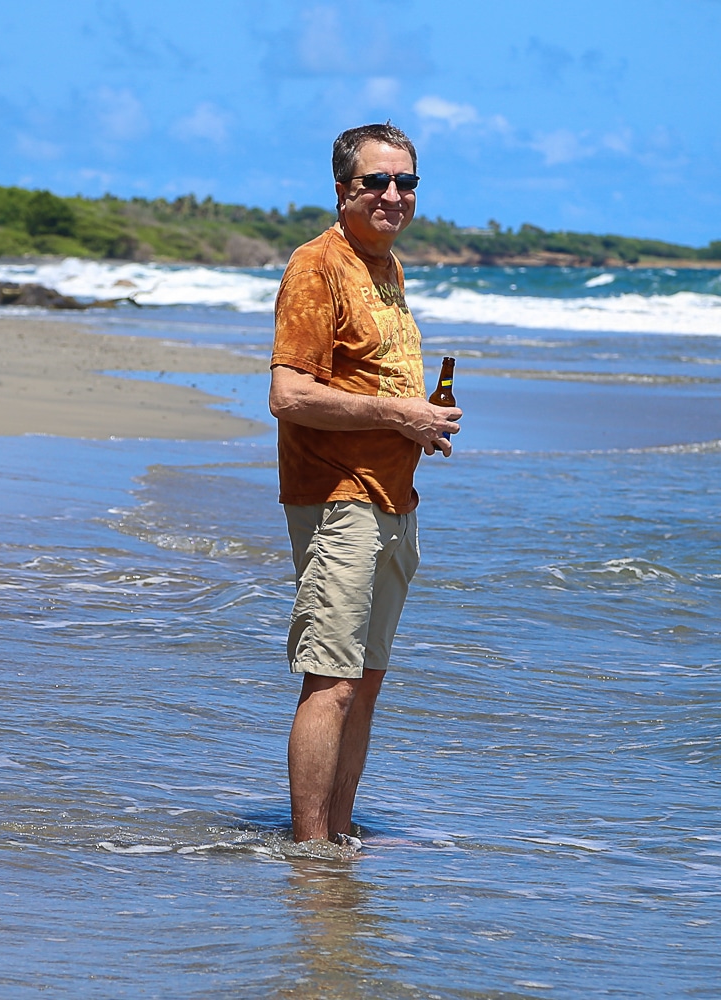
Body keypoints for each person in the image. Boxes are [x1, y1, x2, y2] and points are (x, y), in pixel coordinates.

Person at [268, 122, 461, 847]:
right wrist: (396, 412)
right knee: (332, 681)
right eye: (375, 181)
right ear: (343, 188)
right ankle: (310, 852)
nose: (392, 194)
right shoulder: (317, 266)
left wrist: (417, 426)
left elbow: (368, 384)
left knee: (366, 682)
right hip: (335, 497)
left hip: (395, 499)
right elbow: (288, 396)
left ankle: (337, 839)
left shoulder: (387, 267)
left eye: (405, 181)